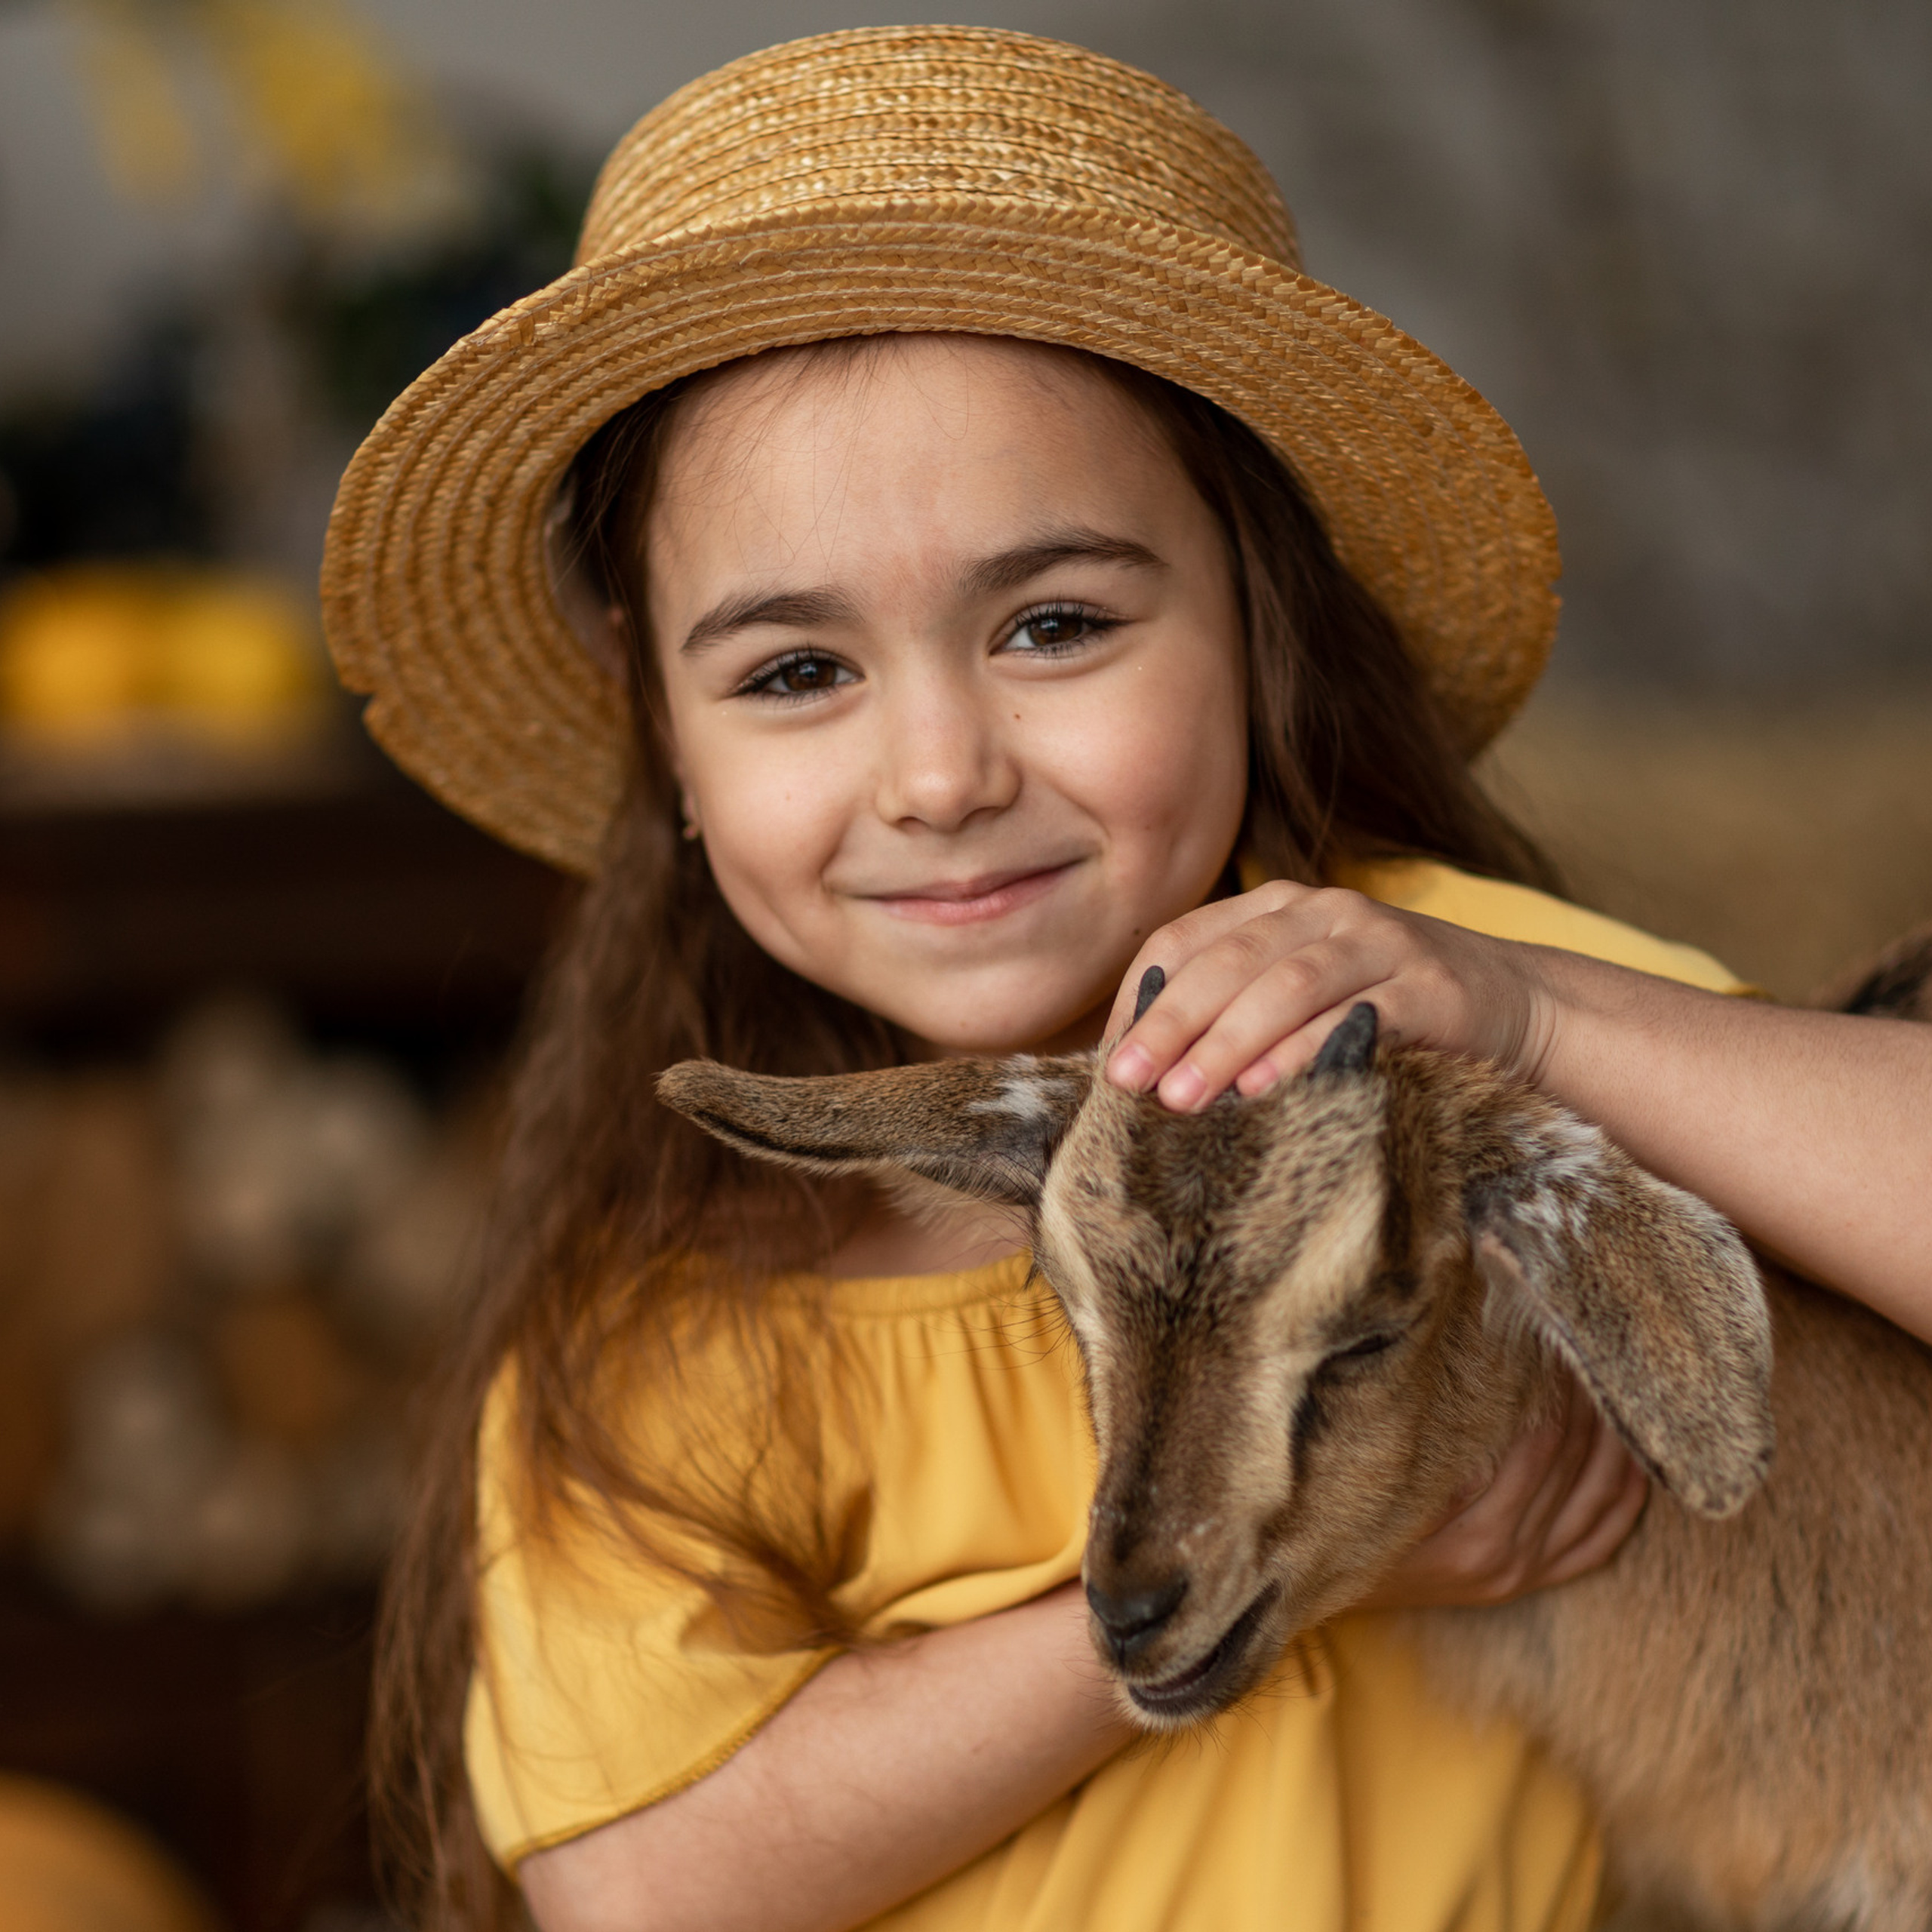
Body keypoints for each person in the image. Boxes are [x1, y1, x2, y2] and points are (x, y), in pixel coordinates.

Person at [322, 28, 1932, 1932]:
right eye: (791, 672)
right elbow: (638, 1888)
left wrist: (1538, 1017)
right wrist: (1292, 1548)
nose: (940, 775)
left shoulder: (1451, 1018)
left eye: (1057, 622)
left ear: (1256, 620)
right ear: (657, 729)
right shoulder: (678, 1292)